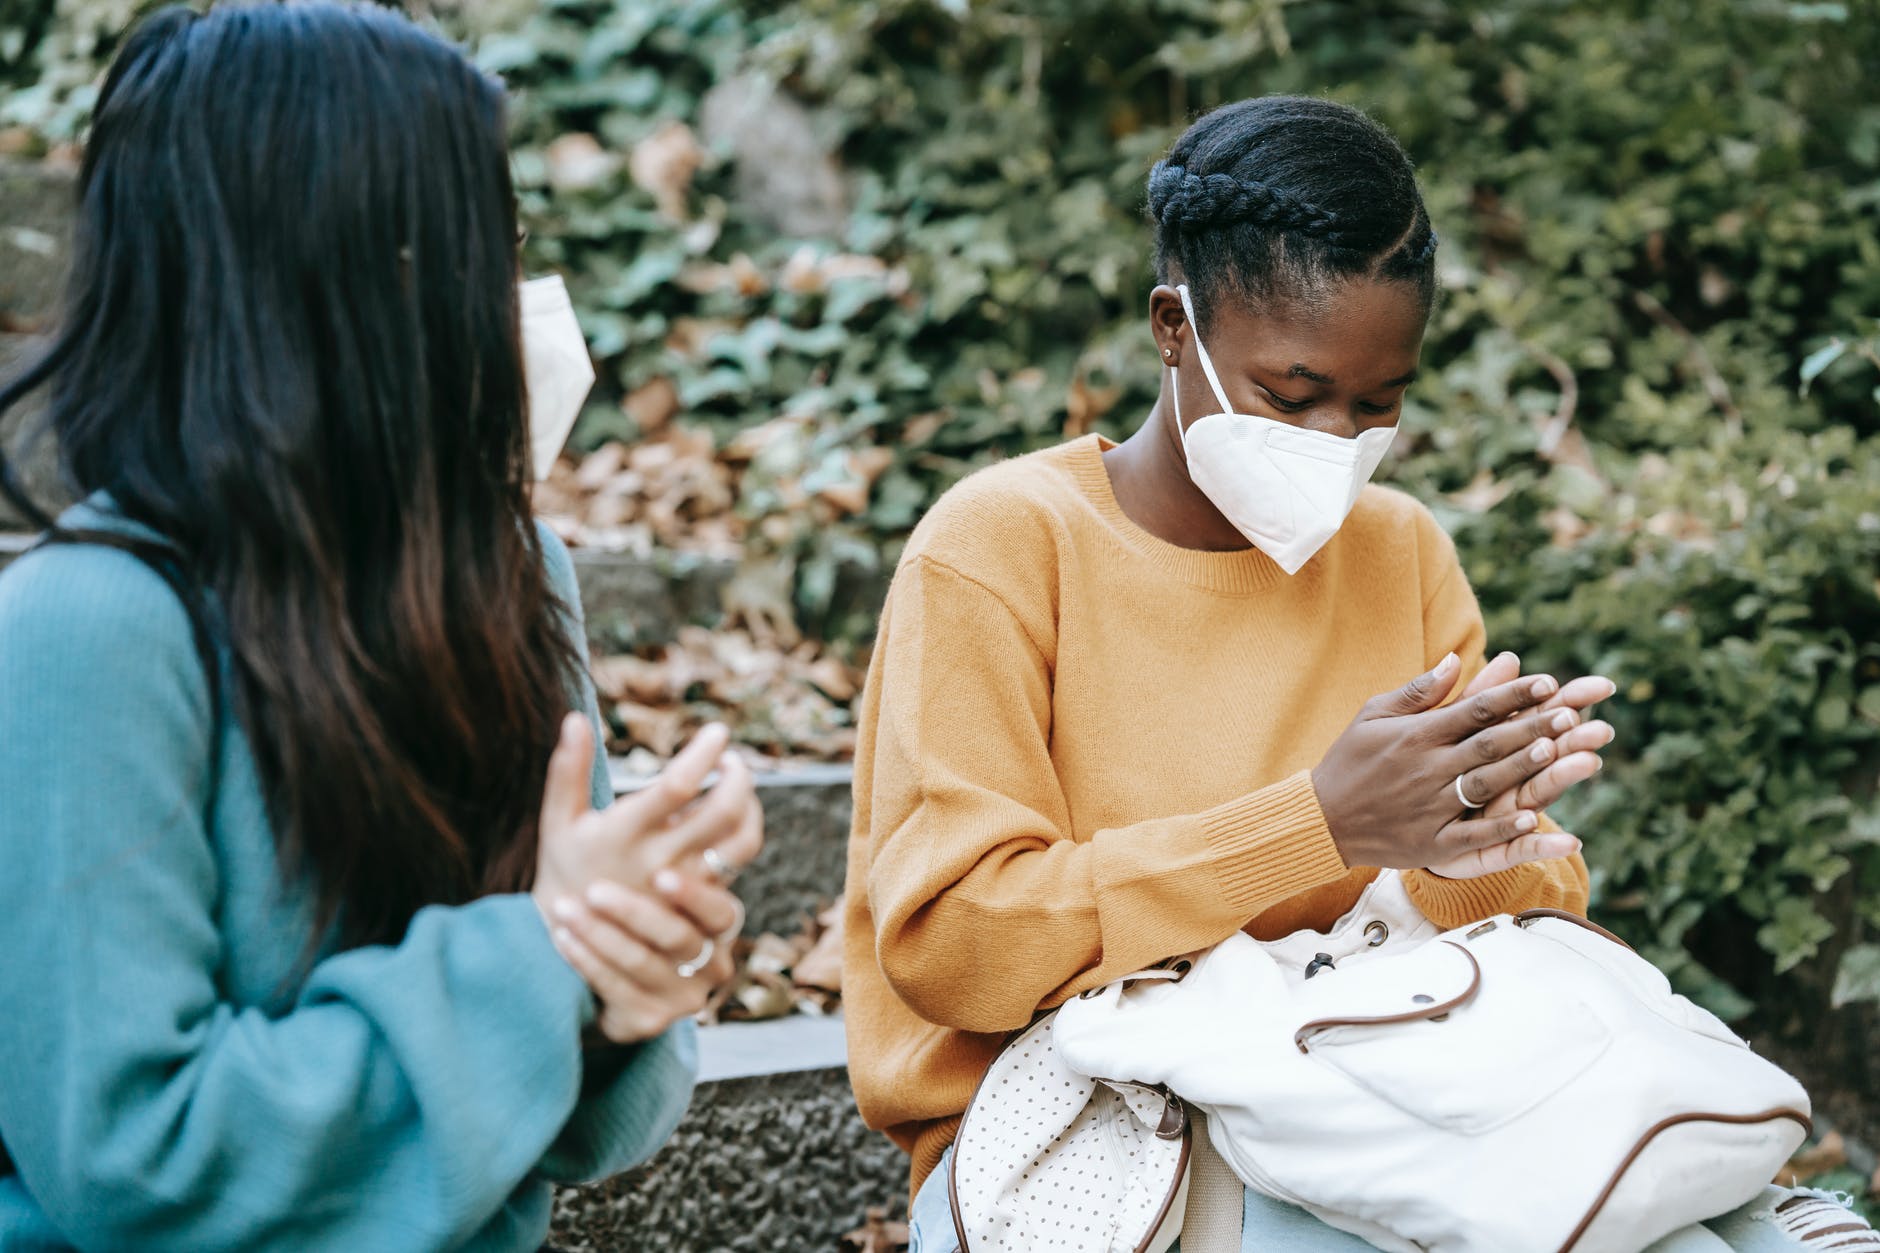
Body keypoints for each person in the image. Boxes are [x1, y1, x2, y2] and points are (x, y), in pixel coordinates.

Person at [842, 96, 1879, 1252]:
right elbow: (954, 949)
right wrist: (1316, 826)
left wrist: (1478, 847)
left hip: (1377, 1078)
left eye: (1376, 402)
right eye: (1291, 395)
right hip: (1085, 1126)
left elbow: (1510, 936)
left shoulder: (1399, 549)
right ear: (1171, 327)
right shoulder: (997, 547)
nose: (1333, 439)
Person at [0, 5, 761, 1250]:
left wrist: (639, 958)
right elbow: (131, 1157)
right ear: (343, 283)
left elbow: (597, 1126)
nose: (514, 300)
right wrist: (548, 953)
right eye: (479, 251)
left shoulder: (518, 571)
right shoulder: (86, 627)